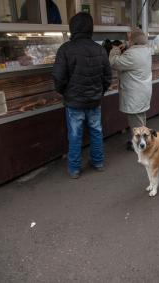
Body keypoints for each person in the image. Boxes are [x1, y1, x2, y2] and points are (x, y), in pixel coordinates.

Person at [52, 12, 112, 178]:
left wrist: (65, 93)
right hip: (94, 101)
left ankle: (74, 169)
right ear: (90, 28)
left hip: (74, 103)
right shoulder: (99, 49)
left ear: (73, 28)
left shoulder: (65, 49)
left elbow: (58, 77)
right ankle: (98, 162)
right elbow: (108, 76)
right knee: (96, 132)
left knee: (75, 135)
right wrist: (99, 93)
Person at [109, 28, 152, 151]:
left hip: (135, 94)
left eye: (129, 39)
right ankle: (141, 141)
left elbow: (114, 62)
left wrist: (115, 49)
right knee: (141, 118)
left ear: (133, 41)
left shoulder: (132, 54)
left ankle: (140, 146)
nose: (128, 41)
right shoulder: (146, 50)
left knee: (136, 123)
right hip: (143, 91)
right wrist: (128, 44)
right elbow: (136, 44)